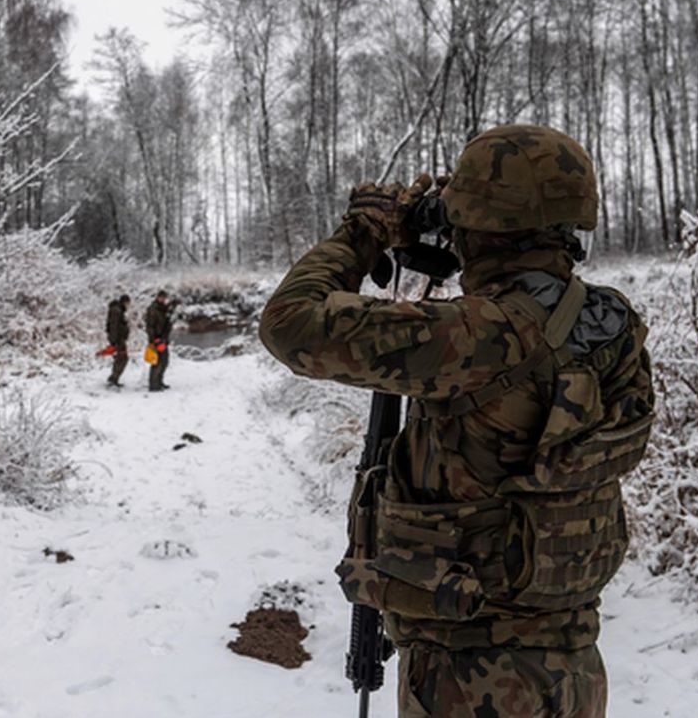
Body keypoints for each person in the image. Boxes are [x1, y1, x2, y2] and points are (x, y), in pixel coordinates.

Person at [259, 125, 654, 718]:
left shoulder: (478, 337)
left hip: (469, 679)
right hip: (572, 668)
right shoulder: (611, 325)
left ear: (481, 222)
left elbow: (290, 324)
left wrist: (362, 235)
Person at [145, 290, 173, 392]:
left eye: (164, 298)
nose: (163, 299)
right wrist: (152, 340)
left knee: (164, 361)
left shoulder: (164, 309)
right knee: (157, 362)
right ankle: (153, 385)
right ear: (157, 297)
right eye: (161, 297)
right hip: (156, 339)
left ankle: (159, 381)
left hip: (163, 338)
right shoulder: (153, 309)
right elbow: (150, 326)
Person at [105, 294, 131, 388]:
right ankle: (113, 379)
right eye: (128, 303)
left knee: (121, 358)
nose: (128, 305)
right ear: (124, 302)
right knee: (122, 359)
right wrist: (114, 341)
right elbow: (114, 327)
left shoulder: (119, 310)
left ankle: (114, 378)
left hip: (119, 339)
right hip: (118, 340)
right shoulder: (116, 311)